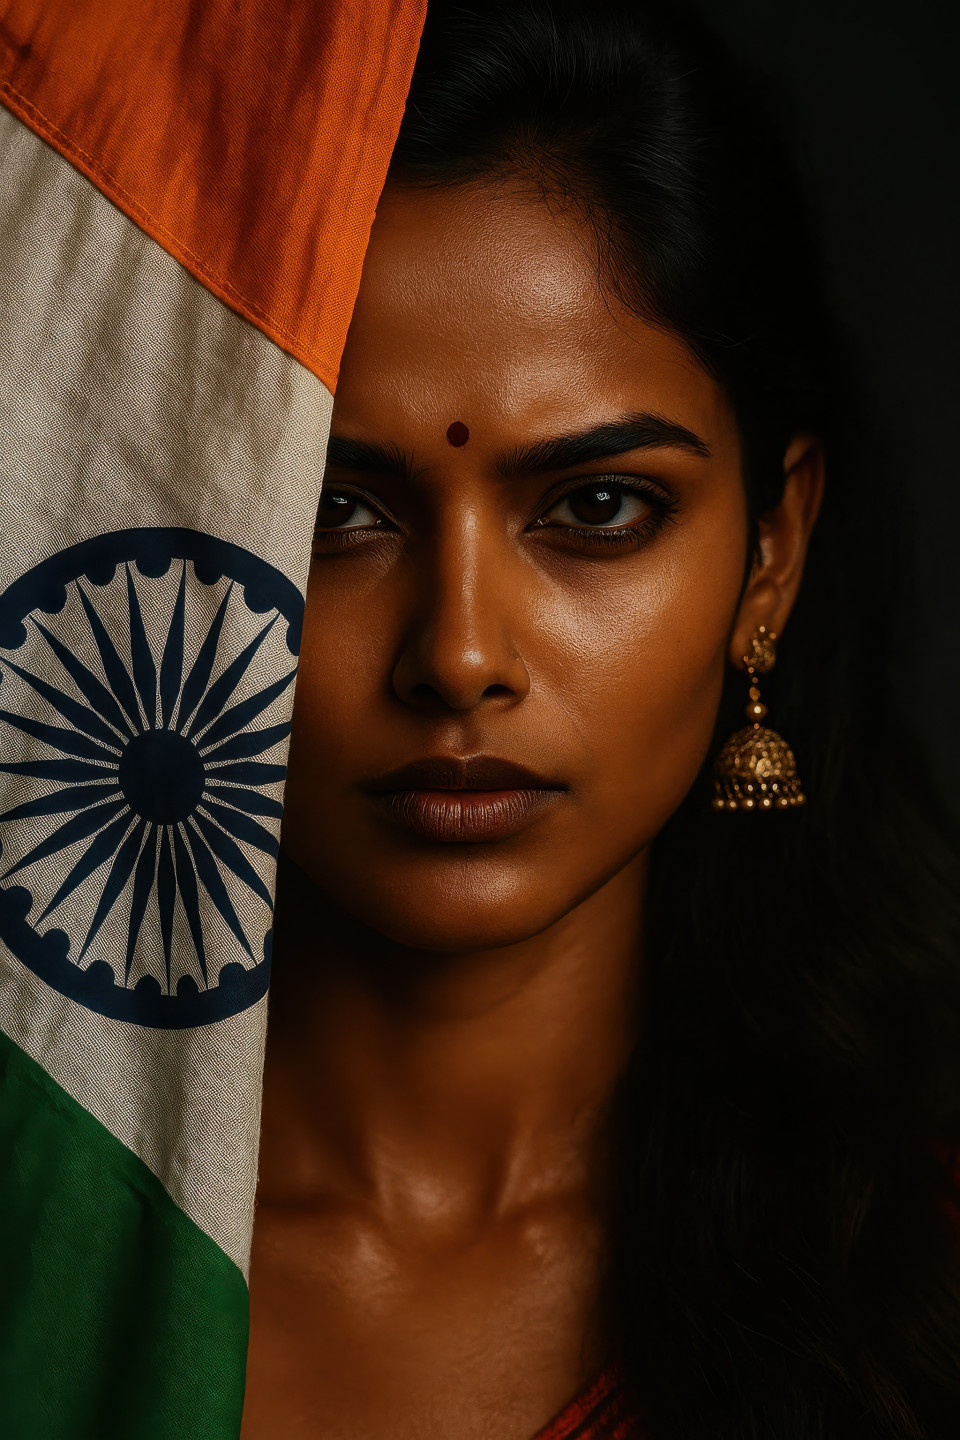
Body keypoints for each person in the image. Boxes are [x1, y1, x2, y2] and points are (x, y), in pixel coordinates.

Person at [240, 2, 960, 1437]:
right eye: (333, 513)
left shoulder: (923, 1273)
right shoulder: (68, 1234)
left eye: (599, 506)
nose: (458, 657)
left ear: (771, 555)